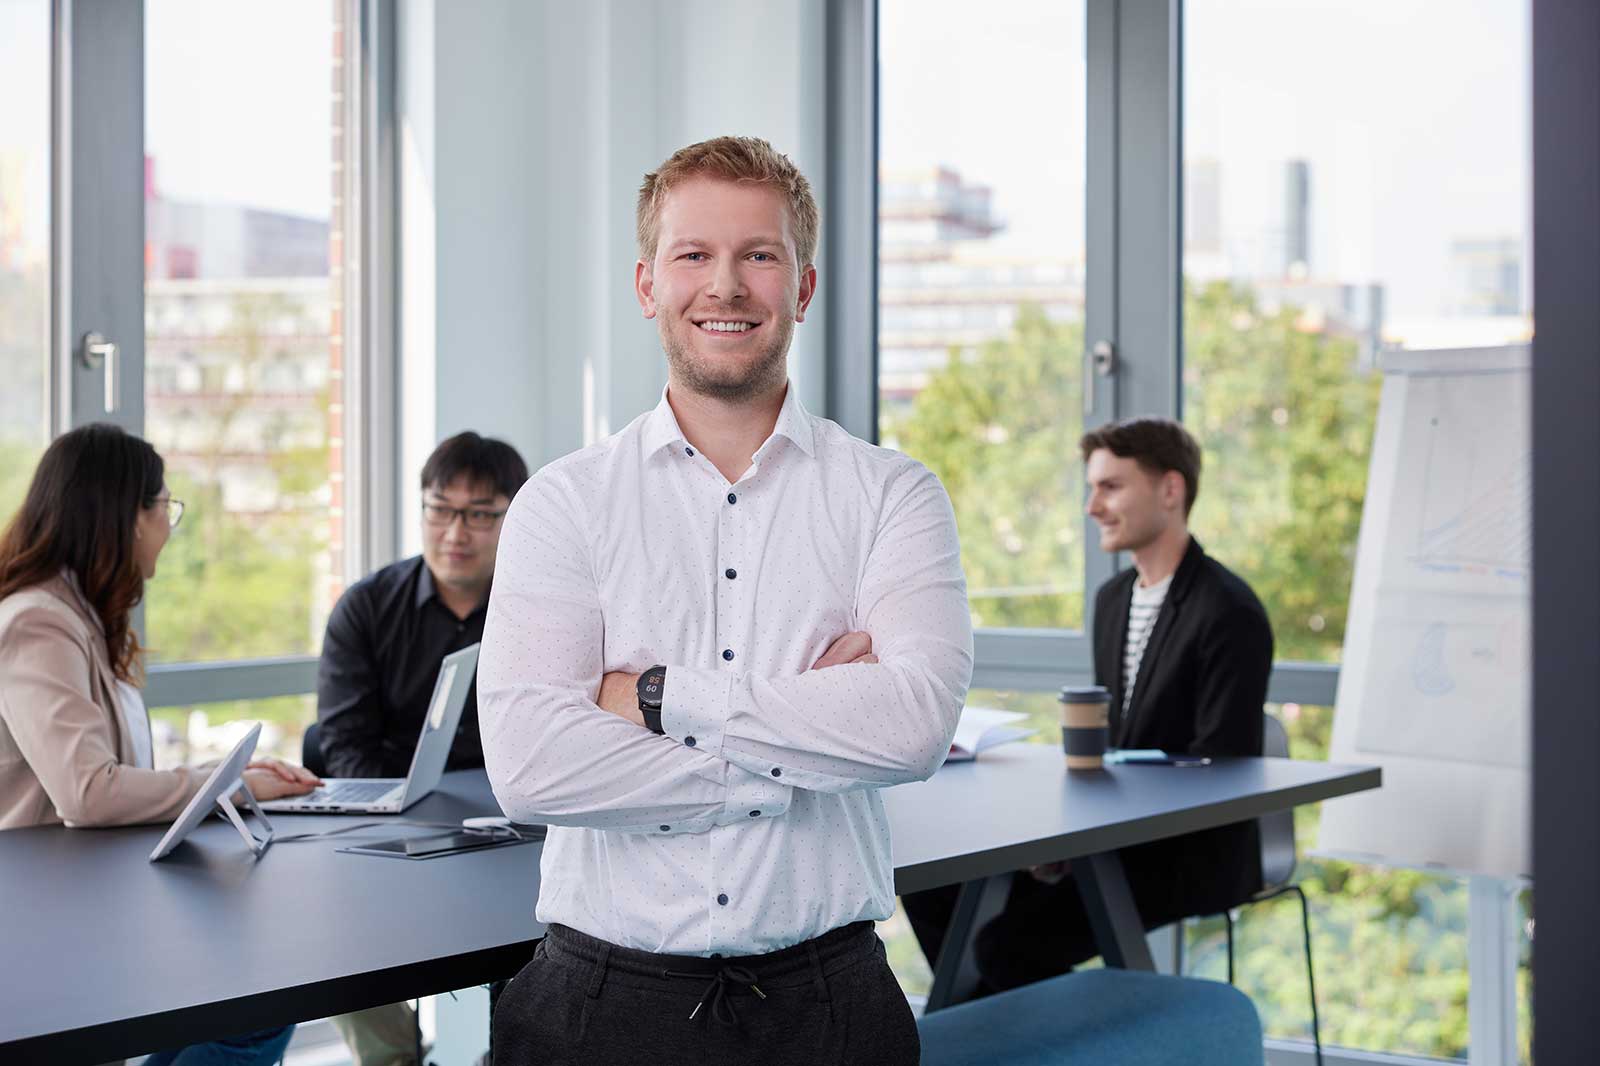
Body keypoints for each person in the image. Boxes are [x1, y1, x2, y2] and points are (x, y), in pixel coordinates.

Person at [478, 136, 973, 1064]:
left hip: (832, 1011)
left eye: (759, 255)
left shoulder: (893, 495)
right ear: (646, 283)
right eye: (694, 255)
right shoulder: (564, 501)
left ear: (804, 286)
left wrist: (659, 699)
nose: (726, 286)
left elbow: (912, 726)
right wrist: (806, 753)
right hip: (597, 1011)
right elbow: (531, 769)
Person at [902, 416, 1273, 992]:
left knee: (1004, 942)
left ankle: (999, 1044)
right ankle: (1001, 1041)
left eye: (1110, 487)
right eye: (1091, 487)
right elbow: (1120, 743)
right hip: (1112, 834)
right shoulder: (1113, 600)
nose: (1091, 506)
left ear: (1170, 491)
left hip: (1187, 851)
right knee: (934, 890)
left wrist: (1086, 840)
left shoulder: (1228, 611)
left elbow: (1221, 768)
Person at [0, 423, 319, 1065]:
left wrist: (222, 771)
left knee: (259, 1001)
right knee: (256, 1005)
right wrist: (221, 784)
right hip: (43, 921)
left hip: (89, 896)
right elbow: (87, 792)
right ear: (127, 516)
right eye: (164, 508)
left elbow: (108, 770)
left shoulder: (84, 618)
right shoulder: (39, 620)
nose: (169, 528)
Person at [311, 431, 527, 1066]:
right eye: (441, 508)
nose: (455, 531)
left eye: (480, 514)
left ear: (515, 517)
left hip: (517, 835)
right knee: (336, 940)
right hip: (397, 840)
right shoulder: (367, 609)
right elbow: (345, 752)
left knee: (548, 944)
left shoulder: (541, 610)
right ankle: (396, 1060)